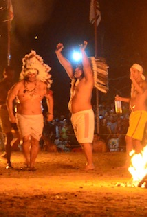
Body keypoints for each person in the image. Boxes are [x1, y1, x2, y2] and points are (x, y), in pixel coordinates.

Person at [7, 51, 53, 171]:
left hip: (37, 117)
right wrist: (11, 115)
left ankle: (32, 164)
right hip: (22, 116)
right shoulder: (19, 85)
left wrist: (50, 112)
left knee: (35, 140)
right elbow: (10, 99)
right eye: (30, 74)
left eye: (34, 74)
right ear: (26, 74)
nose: (32, 76)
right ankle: (27, 161)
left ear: (36, 74)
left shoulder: (42, 85)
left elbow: (49, 98)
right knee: (25, 139)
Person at [56, 42, 95, 170]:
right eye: (76, 69)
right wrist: (58, 53)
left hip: (85, 114)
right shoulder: (74, 81)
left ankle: (90, 164)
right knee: (82, 141)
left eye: (79, 69)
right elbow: (66, 65)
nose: (77, 70)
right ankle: (88, 162)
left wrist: (83, 51)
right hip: (76, 115)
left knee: (85, 140)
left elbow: (87, 65)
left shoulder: (88, 80)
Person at [115, 63, 147, 168]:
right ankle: (140, 163)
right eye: (132, 71)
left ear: (140, 73)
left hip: (140, 113)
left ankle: (128, 163)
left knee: (129, 138)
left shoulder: (143, 83)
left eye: (134, 71)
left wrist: (132, 80)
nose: (132, 73)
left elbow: (141, 91)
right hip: (135, 114)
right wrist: (121, 99)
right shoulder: (135, 85)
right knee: (135, 140)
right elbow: (133, 99)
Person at [0, 66, 19, 168]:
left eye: (12, 75)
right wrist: (7, 102)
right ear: (5, 74)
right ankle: (8, 162)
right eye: (9, 74)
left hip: (15, 110)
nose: (11, 76)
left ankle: (7, 153)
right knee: (8, 136)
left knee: (21, 133)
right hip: (4, 111)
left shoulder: (15, 85)